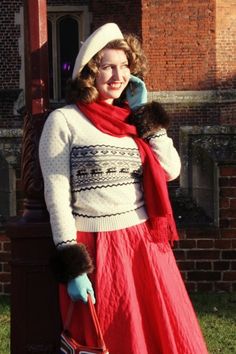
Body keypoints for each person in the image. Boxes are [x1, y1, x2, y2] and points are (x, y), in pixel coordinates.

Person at [39, 23, 208, 354]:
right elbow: (57, 196)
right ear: (91, 72)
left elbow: (171, 169)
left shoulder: (132, 120)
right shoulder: (64, 121)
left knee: (161, 336)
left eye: (125, 66)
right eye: (108, 67)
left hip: (143, 244)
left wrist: (145, 115)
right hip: (96, 248)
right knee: (114, 339)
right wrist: (73, 266)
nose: (118, 76)